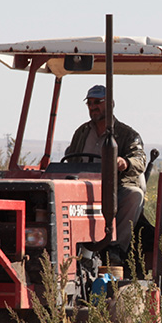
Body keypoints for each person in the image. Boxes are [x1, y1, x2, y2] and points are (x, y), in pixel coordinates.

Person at [65, 84, 147, 264]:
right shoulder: (81, 132)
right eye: (90, 103)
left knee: (134, 195)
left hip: (114, 188)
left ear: (110, 104)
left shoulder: (127, 134)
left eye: (98, 102)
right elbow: (70, 158)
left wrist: (125, 163)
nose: (93, 106)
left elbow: (139, 159)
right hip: (83, 188)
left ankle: (114, 248)